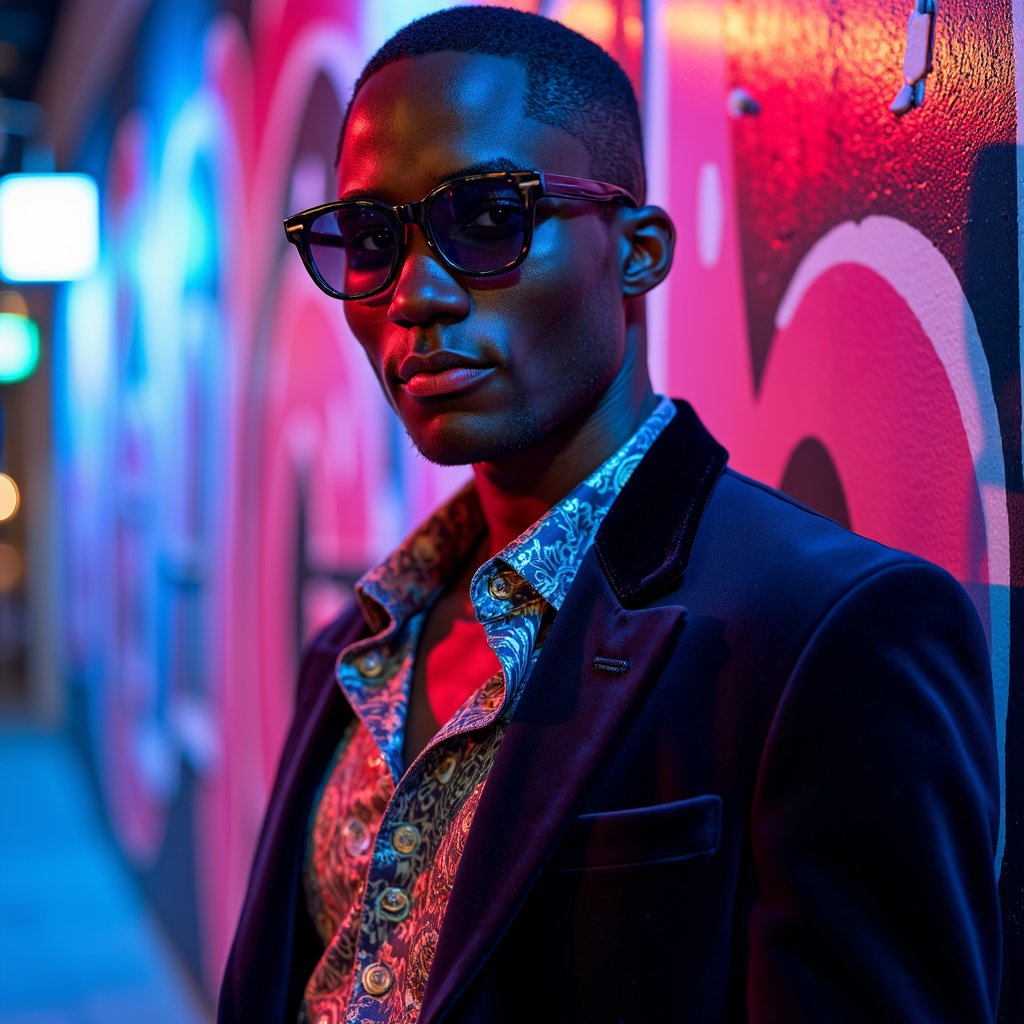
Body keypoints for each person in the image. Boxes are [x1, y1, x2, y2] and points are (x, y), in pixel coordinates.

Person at [218, 7, 1001, 1023]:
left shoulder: (828, 629)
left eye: (488, 216)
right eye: (370, 239)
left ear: (635, 251)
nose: (414, 295)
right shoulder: (360, 643)